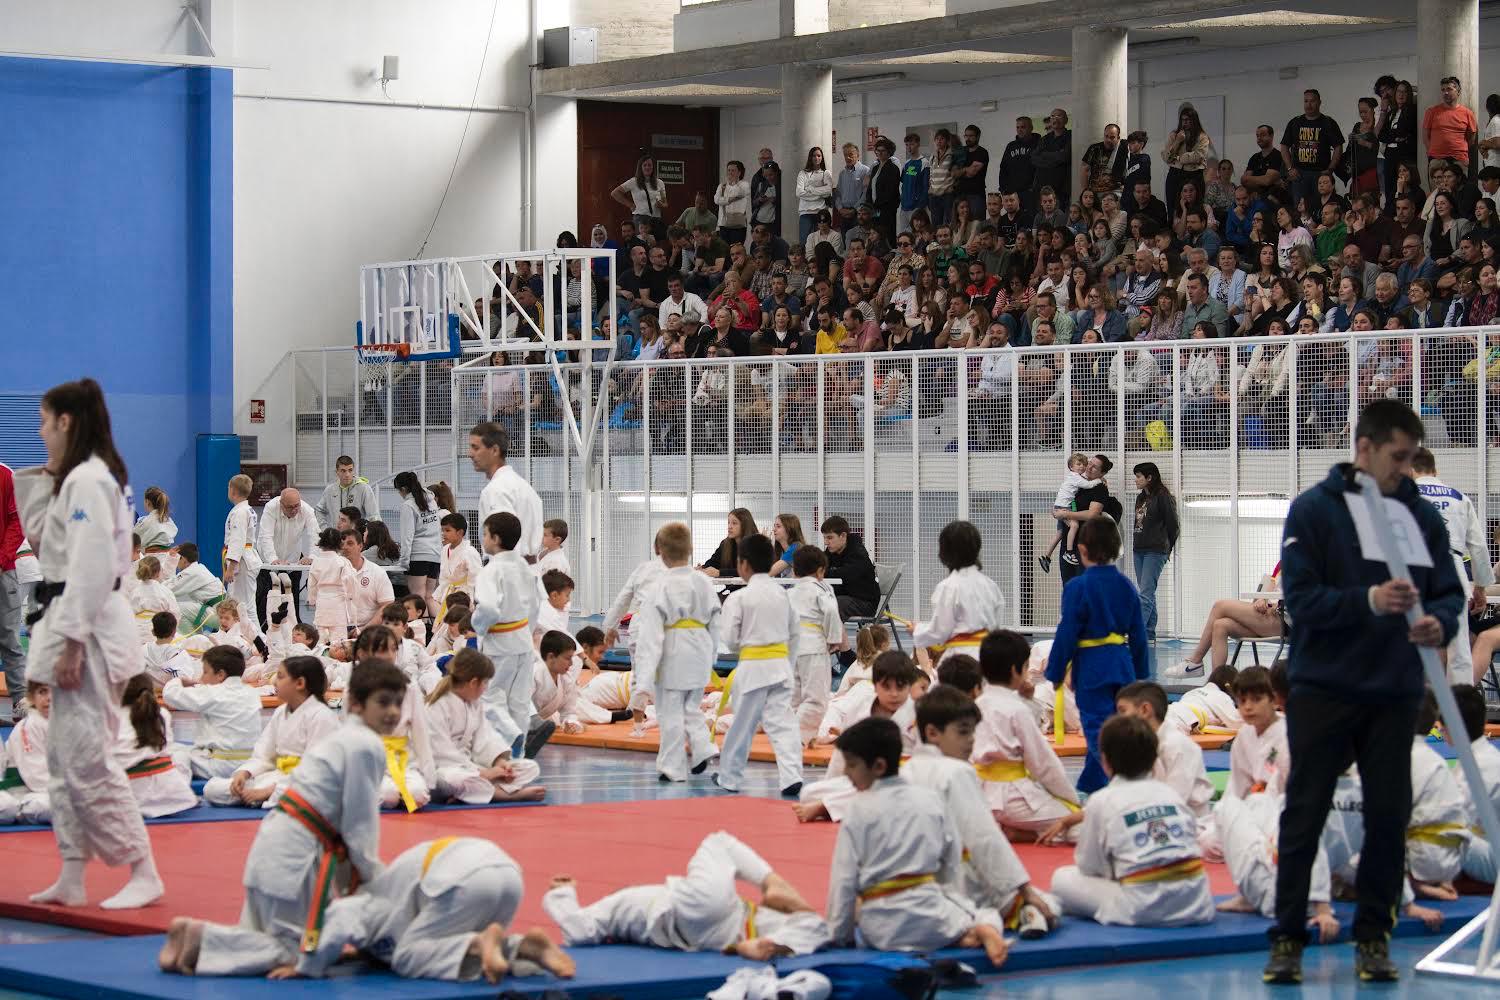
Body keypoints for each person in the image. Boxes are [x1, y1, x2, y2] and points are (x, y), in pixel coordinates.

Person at [1266, 400, 1466, 985]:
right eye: (1397, 457)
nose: (1405, 470)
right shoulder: (1314, 511)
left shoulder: (1422, 518)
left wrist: (1441, 623)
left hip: (1393, 690)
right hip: (1325, 685)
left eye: (1411, 458)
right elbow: (1299, 603)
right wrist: (1368, 602)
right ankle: (1287, 940)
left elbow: (1450, 594)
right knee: (1305, 812)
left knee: (1388, 814)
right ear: (1366, 447)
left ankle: (1374, 936)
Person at [11, 380, 165, 908]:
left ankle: (143, 868)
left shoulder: (91, 480)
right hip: (65, 618)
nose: (39, 430)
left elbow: (94, 568)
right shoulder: (75, 479)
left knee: (89, 757)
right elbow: (50, 545)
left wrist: (71, 642)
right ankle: (72, 870)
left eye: (44, 420)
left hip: (90, 629)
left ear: (66, 422)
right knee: (60, 757)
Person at [158, 660, 404, 979]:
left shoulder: (343, 735)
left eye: (398, 703)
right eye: (383, 703)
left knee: (263, 932)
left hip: (276, 838)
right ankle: (201, 940)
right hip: (295, 854)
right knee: (291, 948)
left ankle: (193, 941)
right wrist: (373, 878)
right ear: (356, 703)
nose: (393, 712)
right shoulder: (365, 744)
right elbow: (359, 822)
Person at [825, 717, 1010, 966]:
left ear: (878, 766)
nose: (846, 773)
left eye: (852, 765)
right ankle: (977, 930)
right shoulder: (929, 799)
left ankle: (964, 932)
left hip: (880, 932)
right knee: (985, 911)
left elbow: (844, 881)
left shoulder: (857, 809)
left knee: (858, 908)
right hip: (936, 922)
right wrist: (936, 891)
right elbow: (950, 859)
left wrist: (841, 936)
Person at [906, 685, 1059, 937]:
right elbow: (984, 837)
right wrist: (1024, 889)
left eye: (973, 732)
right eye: (963, 732)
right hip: (950, 887)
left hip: (907, 893)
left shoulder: (905, 772)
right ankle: (1019, 913)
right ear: (932, 732)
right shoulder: (956, 772)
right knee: (1049, 900)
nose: (972, 740)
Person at [545, 830, 829, 958]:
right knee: (718, 845)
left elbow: (578, 930)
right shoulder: (819, 932)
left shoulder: (621, 907)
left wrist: (563, 894)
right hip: (718, 926)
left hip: (709, 919)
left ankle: (773, 883)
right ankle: (772, 884)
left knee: (718, 843)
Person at [1049, 714, 1215, 927]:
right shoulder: (1171, 795)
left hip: (1142, 907)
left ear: (1105, 761)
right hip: (1197, 902)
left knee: (1062, 879)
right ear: (1154, 759)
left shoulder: (1102, 800)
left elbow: (1089, 867)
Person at [1045, 517, 1149, 794]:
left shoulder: (1077, 587)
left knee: (1097, 729)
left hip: (1091, 669)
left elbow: (1067, 633)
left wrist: (1055, 672)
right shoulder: (1127, 586)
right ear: (1117, 549)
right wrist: (1142, 677)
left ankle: (1114, 782)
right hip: (1122, 665)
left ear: (1082, 550)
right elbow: (1139, 635)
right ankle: (1092, 782)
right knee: (1118, 725)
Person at [627, 522, 722, 780]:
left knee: (669, 711)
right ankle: (703, 748)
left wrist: (643, 680)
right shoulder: (703, 582)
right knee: (691, 707)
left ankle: (672, 767)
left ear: (660, 552)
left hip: (673, 650)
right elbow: (716, 621)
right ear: (690, 549)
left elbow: (650, 638)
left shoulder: (660, 587)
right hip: (701, 648)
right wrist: (711, 655)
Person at [714, 534, 803, 796]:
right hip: (781, 666)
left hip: (753, 667)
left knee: (742, 725)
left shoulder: (739, 598)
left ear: (743, 565)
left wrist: (746, 644)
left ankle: (729, 778)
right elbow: (795, 633)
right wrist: (788, 662)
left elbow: (729, 640)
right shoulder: (784, 595)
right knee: (783, 723)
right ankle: (791, 776)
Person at [974, 630, 1080, 839]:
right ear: (1016, 671)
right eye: (1025, 667)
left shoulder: (976, 705)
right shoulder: (1016, 709)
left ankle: (1009, 829)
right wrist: (1072, 798)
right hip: (1013, 798)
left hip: (979, 797)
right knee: (1077, 823)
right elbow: (1043, 764)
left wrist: (1028, 699)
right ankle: (1020, 829)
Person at [203, 657, 338, 809]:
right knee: (212, 789)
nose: (274, 682)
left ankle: (268, 796)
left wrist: (269, 791)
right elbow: (263, 754)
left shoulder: (322, 716)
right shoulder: (281, 712)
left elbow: (316, 770)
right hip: (277, 776)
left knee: (306, 790)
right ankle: (262, 795)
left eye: (280, 676)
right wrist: (245, 773)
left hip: (305, 783)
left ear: (300, 683)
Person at [1412, 448, 1493, 685]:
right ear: (1436, 470)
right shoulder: (1459, 498)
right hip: (1452, 570)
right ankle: (1461, 713)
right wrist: (1480, 587)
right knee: (1458, 648)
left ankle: (1410, 714)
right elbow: (1478, 546)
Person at [426, 648, 544, 804]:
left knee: (529, 768)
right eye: (485, 683)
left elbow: (486, 738)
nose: (486, 688)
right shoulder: (436, 706)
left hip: (472, 767)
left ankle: (471, 793)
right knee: (456, 778)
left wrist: (499, 763)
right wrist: (485, 773)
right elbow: (442, 755)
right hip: (440, 771)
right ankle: (504, 795)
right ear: (474, 682)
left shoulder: (474, 704)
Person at [472, 512, 539, 757]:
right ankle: (517, 759)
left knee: (488, 697)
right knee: (519, 702)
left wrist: (477, 625)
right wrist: (526, 631)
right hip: (522, 639)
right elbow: (535, 605)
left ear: (496, 539)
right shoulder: (524, 565)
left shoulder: (491, 570)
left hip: (499, 643)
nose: (483, 539)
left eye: (486, 534)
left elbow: (488, 608)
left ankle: (512, 735)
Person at [911, 520, 1006, 670]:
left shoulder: (948, 587)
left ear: (944, 551)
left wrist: (917, 630)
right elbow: (995, 626)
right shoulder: (991, 586)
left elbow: (940, 632)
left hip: (959, 663)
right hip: (988, 660)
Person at [164, 645, 263, 779]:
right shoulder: (252, 693)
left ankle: (181, 790)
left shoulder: (214, 693)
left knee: (174, 752)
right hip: (248, 766)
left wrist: (178, 680)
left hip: (218, 766)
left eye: (205, 672)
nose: (202, 678)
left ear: (220, 675)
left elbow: (171, 695)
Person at [1406, 689, 1468, 901]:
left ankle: (1414, 886)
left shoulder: (1395, 759)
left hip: (1416, 865)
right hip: (1448, 865)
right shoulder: (1441, 764)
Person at [114, 673, 197, 818]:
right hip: (170, 793)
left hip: (126, 794)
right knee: (181, 754)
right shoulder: (161, 713)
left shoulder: (108, 717)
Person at [787, 546, 843, 743]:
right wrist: (834, 639)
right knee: (817, 699)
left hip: (791, 649)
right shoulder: (822, 590)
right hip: (813, 647)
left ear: (794, 570)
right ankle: (797, 737)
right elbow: (830, 613)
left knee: (794, 698)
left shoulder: (789, 593)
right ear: (821, 571)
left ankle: (796, 734)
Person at [470, 423, 544, 562]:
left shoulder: (497, 490)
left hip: (508, 572)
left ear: (495, 450)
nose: (470, 454)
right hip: (528, 571)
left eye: (476, 447)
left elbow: (503, 544)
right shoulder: (523, 486)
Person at [254, 488, 319, 633]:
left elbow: (315, 535)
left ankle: (294, 631)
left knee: (291, 600)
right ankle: (263, 631)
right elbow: (265, 536)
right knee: (264, 599)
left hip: (293, 561)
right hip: (267, 560)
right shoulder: (271, 507)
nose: (295, 509)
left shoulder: (306, 509)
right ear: (281, 504)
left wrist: (311, 557)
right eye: (290, 507)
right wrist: (273, 559)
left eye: (297, 505)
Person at [1131, 463, 1179, 647]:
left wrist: (1168, 548)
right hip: (1139, 549)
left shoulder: (1163, 497)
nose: (1136, 480)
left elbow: (1173, 525)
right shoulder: (1140, 498)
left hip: (1155, 550)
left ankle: (1136, 633)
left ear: (1149, 478)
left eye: (1139, 476)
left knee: (1145, 594)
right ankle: (1149, 634)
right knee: (1148, 592)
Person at [222, 474, 263, 643]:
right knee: (241, 603)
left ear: (232, 491)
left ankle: (260, 641)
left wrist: (231, 567)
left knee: (244, 605)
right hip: (245, 557)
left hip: (242, 560)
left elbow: (237, 540)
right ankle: (242, 638)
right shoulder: (246, 510)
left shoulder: (240, 512)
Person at [6, 681, 52, 824]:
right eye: (42, 692)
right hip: (23, 791)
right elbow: (37, 779)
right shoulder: (30, 726)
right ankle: (21, 811)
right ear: (32, 697)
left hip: (57, 789)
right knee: (53, 807)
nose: (49, 698)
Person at [392, 471, 441, 606]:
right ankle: (437, 627)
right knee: (429, 597)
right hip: (435, 555)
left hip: (418, 556)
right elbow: (437, 531)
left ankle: (421, 627)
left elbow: (407, 537)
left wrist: (404, 562)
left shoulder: (408, 506)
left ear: (403, 489)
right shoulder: (432, 502)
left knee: (417, 598)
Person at [1037, 453, 1091, 573]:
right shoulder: (1075, 477)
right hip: (1063, 507)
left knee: (1060, 533)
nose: (1081, 466)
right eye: (1078, 464)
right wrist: (1099, 480)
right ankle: (1069, 552)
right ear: (1071, 467)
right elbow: (1087, 484)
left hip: (1060, 505)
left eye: (1084, 464)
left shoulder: (1075, 477)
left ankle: (1046, 556)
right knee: (1074, 525)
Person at [820, 515, 880, 622]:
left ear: (843, 536)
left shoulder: (858, 554)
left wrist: (827, 572)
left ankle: (828, 638)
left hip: (864, 603)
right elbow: (820, 569)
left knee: (833, 604)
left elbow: (844, 575)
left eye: (829, 537)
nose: (826, 542)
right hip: (843, 597)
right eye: (824, 538)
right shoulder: (831, 552)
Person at [0, 461, 23, 721]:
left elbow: (18, 522)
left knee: (9, 638)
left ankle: (20, 701)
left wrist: (1, 559)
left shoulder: (6, 476)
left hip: (3, 572)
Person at [340, 528, 394, 629]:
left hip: (368, 628)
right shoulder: (332, 571)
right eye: (342, 544)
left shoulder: (377, 573)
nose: (345, 547)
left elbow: (387, 605)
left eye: (350, 543)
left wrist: (365, 629)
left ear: (360, 546)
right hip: (337, 628)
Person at [306, 527, 356, 637]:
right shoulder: (342, 561)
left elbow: (311, 584)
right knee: (338, 639)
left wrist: (312, 600)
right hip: (338, 604)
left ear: (321, 542)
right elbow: (350, 581)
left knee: (321, 638)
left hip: (322, 602)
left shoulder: (316, 562)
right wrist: (351, 597)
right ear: (340, 543)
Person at [166, 543, 225, 636]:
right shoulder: (197, 569)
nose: (177, 563)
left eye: (178, 558)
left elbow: (168, 590)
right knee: (189, 610)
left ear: (184, 560)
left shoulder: (191, 572)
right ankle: (198, 642)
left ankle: (193, 642)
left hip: (220, 615)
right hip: (219, 612)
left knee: (177, 609)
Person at [1424, 76, 1478, 173]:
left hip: (1459, 160)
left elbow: (1472, 138)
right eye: (1443, 90)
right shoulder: (1432, 111)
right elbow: (1425, 136)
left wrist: (1460, 149)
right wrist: (1431, 153)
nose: (1445, 93)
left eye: (1449, 89)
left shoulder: (1467, 113)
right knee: (1437, 188)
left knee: (1460, 188)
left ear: (1458, 91)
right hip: (1436, 159)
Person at [434, 513, 482, 619]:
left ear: (460, 532)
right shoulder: (444, 550)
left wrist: (472, 599)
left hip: (464, 596)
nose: (443, 533)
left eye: (447, 530)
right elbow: (443, 576)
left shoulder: (470, 552)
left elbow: (476, 578)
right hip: (448, 593)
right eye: (442, 530)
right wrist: (441, 593)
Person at [316, 456, 380, 528]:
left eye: (350, 470)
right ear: (337, 472)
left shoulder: (364, 489)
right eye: (343, 471)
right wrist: (324, 529)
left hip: (357, 537)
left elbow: (374, 517)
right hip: (336, 537)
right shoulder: (329, 490)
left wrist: (369, 535)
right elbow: (319, 510)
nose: (347, 475)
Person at [698, 507, 756, 579]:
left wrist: (719, 573)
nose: (729, 526)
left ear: (744, 525)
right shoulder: (725, 544)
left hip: (752, 589)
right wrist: (702, 568)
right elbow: (713, 562)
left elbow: (750, 570)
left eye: (734, 523)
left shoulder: (755, 544)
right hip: (731, 589)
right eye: (728, 522)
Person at [133, 485, 177, 569]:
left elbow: (133, 539)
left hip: (151, 562)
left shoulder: (146, 522)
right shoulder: (168, 520)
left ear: (147, 502)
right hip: (168, 561)